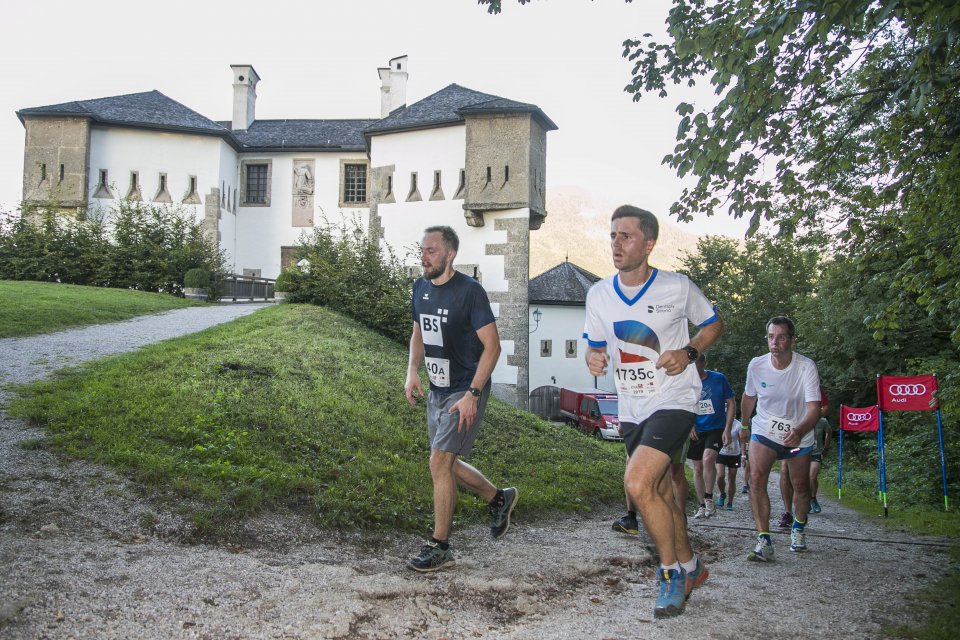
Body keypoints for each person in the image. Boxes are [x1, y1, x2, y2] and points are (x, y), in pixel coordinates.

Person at [584, 205, 723, 618]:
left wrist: (689, 351)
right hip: (632, 405)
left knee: (638, 482)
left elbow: (714, 324)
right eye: (613, 235)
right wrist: (593, 359)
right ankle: (692, 566)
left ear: (649, 243)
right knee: (660, 493)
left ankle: (669, 574)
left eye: (626, 236)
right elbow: (594, 345)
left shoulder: (677, 287)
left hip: (675, 399)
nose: (616, 244)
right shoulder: (598, 294)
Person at [404, 225, 517, 572]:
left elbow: (493, 347)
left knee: (438, 463)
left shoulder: (470, 292)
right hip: (437, 390)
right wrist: (411, 371)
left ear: (450, 254)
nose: (424, 256)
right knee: (447, 465)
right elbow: (419, 333)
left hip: (466, 389)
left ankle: (440, 546)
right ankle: (499, 498)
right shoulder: (420, 287)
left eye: (431, 251)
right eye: (422, 250)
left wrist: (473, 394)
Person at [741, 316, 822, 561]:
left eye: (781, 337)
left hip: (799, 432)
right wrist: (744, 424)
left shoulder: (806, 367)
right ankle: (763, 538)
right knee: (756, 478)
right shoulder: (756, 365)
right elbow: (748, 397)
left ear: (792, 339)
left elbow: (814, 409)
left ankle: (798, 526)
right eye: (770, 336)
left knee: (800, 485)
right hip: (765, 429)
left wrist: (798, 431)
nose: (774, 342)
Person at [689, 353, 736, 519]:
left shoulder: (718, 378)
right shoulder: (686, 382)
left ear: (703, 362)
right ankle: (701, 505)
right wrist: (690, 426)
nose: (692, 367)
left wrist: (727, 429)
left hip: (716, 427)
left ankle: (709, 497)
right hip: (696, 429)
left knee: (708, 458)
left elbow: (731, 402)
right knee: (697, 467)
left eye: (695, 363)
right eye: (690, 364)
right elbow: (682, 405)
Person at [777, 389, 828, 527]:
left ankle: (804, 508)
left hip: (805, 434)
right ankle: (787, 512)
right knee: (784, 471)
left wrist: (809, 418)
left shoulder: (811, 382)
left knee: (802, 479)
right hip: (787, 431)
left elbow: (825, 407)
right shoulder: (783, 379)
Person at [714, 418, 746, 510]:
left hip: (734, 454)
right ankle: (722, 494)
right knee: (720, 476)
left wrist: (743, 455)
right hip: (721, 453)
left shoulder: (738, 424)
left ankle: (730, 503)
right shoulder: (719, 421)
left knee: (732, 478)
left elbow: (742, 440)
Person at [808, 414, 832, 513]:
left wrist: (826, 447)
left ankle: (813, 499)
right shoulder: (799, 417)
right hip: (802, 453)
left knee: (812, 476)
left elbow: (829, 432)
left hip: (816, 453)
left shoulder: (822, 421)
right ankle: (805, 501)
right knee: (802, 478)